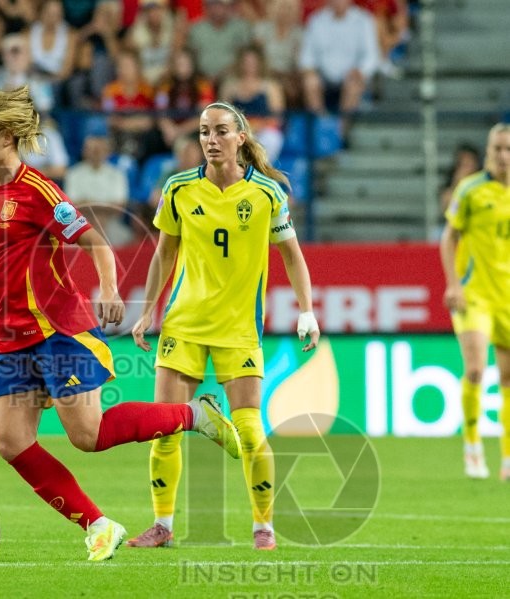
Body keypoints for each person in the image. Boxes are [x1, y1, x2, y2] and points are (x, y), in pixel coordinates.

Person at [0, 86, 242, 562]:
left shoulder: (39, 191)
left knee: (87, 436)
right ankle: (98, 525)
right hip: (7, 337)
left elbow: (95, 243)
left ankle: (196, 415)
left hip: (56, 330)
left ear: (7, 136)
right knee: (11, 442)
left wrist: (109, 289)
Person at [128, 101, 320, 551]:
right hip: (184, 323)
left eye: (220, 131)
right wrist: (147, 309)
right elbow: (164, 253)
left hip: (238, 328)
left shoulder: (267, 194)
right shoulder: (178, 188)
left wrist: (307, 310)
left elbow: (292, 255)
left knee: (250, 431)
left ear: (240, 138)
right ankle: (162, 525)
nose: (210, 140)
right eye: (203, 132)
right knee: (164, 428)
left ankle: (263, 527)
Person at [440, 123, 510, 482]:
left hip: (507, 297)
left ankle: (507, 458)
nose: (503, 156)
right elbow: (448, 237)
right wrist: (454, 284)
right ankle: (472, 444)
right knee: (477, 370)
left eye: (508, 149)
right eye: (498, 148)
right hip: (475, 295)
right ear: (488, 151)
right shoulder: (470, 190)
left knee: (508, 378)